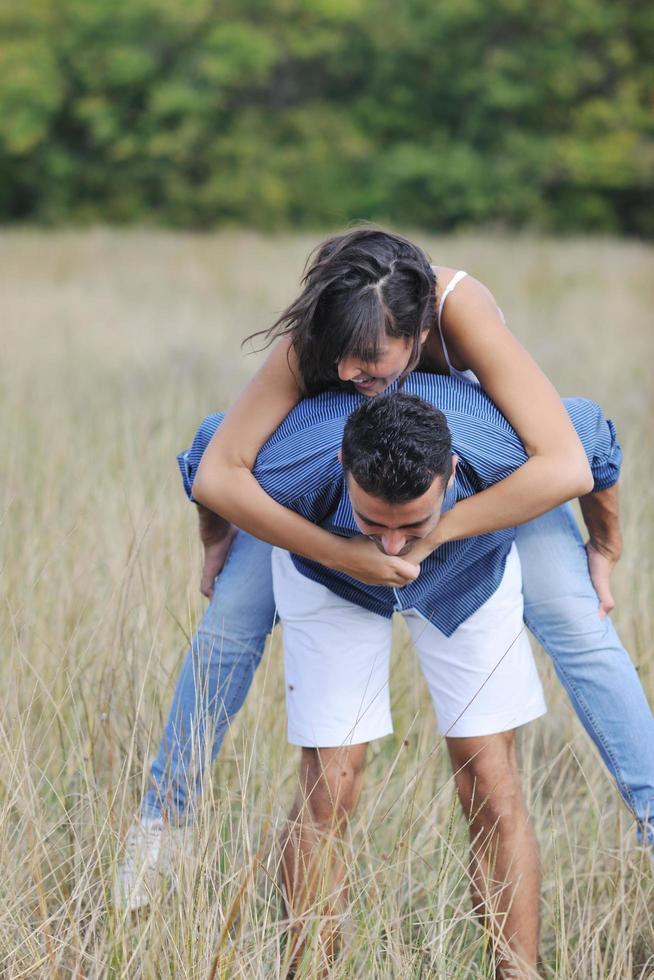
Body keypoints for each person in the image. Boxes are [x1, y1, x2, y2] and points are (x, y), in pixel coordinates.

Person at [117, 229, 654, 908]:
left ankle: (652, 815)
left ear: (420, 327)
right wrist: (325, 550)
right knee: (230, 620)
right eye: (337, 358)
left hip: (473, 479)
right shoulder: (324, 341)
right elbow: (219, 464)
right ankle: (165, 820)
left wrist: (590, 548)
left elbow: (572, 457)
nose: (347, 372)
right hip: (343, 487)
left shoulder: (461, 312)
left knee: (576, 619)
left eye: (368, 360)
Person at [184, 381, 620, 978]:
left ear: (453, 472)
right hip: (328, 575)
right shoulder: (298, 458)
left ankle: (517, 973)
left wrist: (606, 543)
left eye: (412, 522)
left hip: (469, 569)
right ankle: (310, 969)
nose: (392, 545)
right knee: (330, 785)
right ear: (342, 466)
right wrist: (216, 544)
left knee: (489, 781)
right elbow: (208, 454)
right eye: (375, 521)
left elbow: (594, 437)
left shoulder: (501, 449)